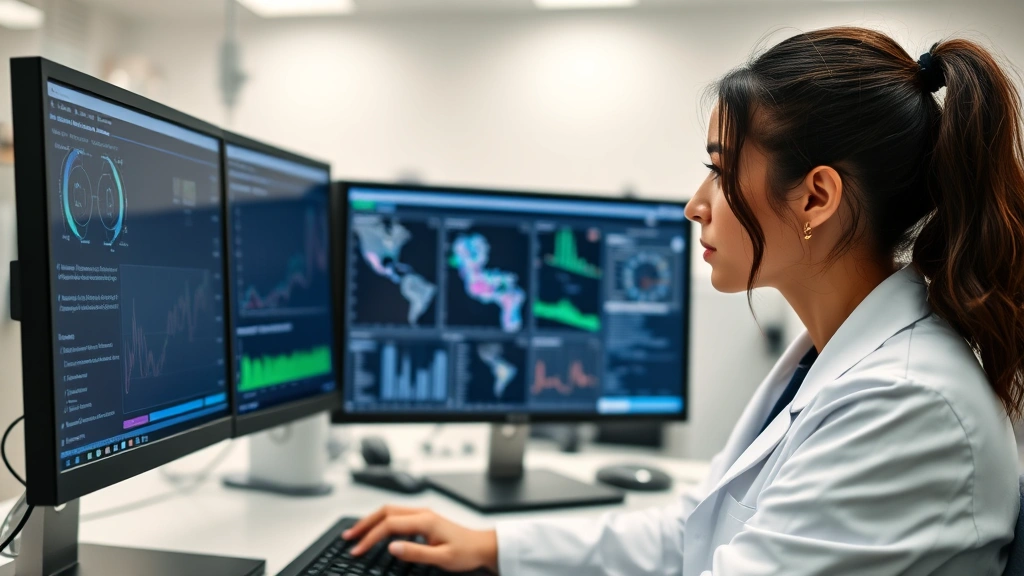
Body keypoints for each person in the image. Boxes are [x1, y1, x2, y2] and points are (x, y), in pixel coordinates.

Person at [343, 26, 1024, 575]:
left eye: (720, 171)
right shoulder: (829, 359)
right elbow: (691, 536)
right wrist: (494, 549)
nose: (694, 205)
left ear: (816, 196)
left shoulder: (906, 404)